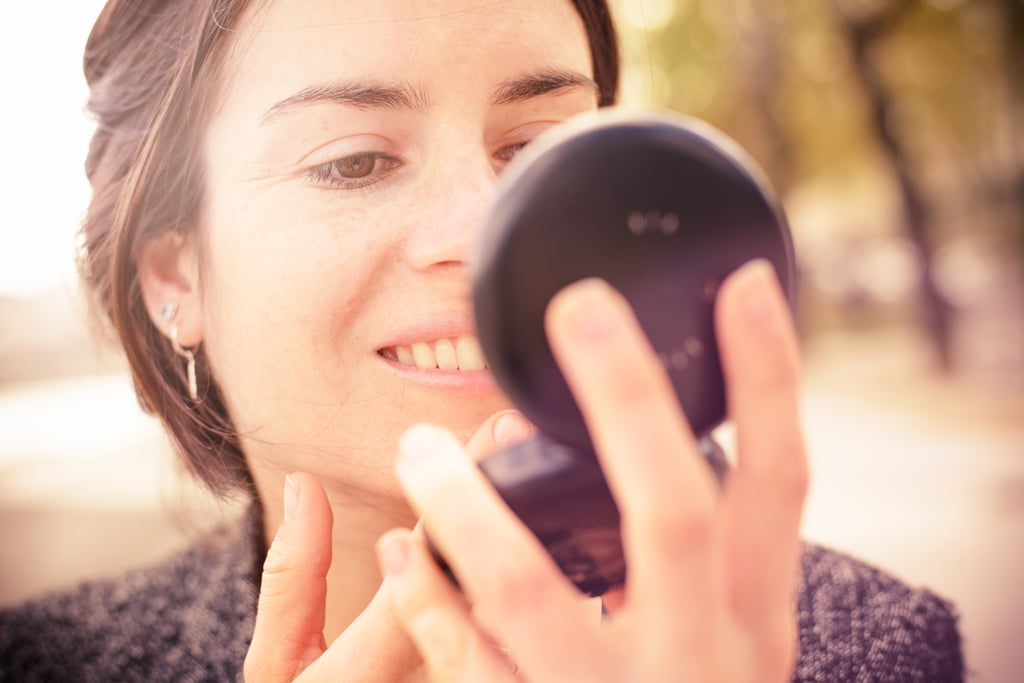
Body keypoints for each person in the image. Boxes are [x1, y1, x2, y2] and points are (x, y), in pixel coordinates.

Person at [0, 0, 964, 681]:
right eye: (354, 161)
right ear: (174, 274)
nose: (485, 228)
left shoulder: (886, 647)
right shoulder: (47, 660)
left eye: (540, 149)